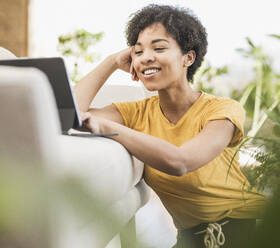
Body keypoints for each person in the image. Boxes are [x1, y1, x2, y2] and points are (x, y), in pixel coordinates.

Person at [74, 4, 266, 248]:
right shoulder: (137, 112)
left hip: (250, 231)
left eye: (159, 48)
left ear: (189, 57)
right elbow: (73, 113)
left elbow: (180, 162)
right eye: (138, 51)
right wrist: (111, 62)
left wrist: (109, 128)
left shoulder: (221, 110)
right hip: (190, 239)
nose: (146, 58)